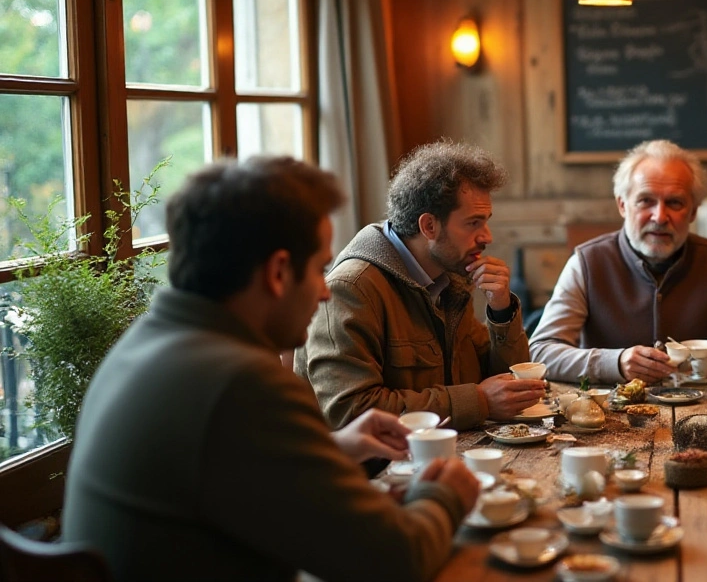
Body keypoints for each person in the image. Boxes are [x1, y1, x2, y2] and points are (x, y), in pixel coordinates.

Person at [63, 157, 480, 581]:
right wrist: (443, 494)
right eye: (319, 268)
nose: (324, 290)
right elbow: (396, 561)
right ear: (279, 272)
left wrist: (333, 448)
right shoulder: (241, 383)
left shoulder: (149, 342)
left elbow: (223, 469)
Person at [296, 140, 545, 431]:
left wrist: (501, 311)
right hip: (373, 472)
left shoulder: (449, 279)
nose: (487, 236)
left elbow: (503, 387)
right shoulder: (351, 289)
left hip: (436, 455)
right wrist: (478, 401)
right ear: (428, 226)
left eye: (486, 221)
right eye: (473, 223)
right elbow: (353, 413)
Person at [529, 139, 707, 384]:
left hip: (697, 412)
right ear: (623, 205)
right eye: (646, 201)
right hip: (609, 415)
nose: (660, 216)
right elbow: (540, 352)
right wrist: (615, 363)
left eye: (674, 203)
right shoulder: (588, 262)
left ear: (693, 212)